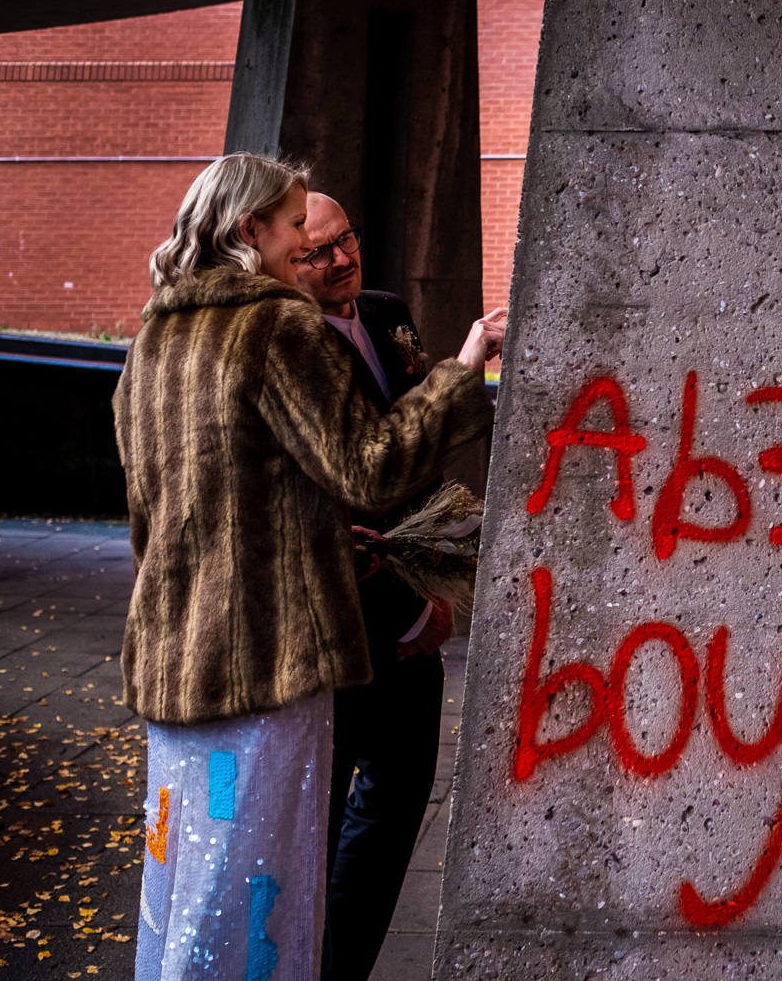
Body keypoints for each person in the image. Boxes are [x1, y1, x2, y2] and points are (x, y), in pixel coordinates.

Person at [114, 153, 502, 981]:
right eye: (295, 226)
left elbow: (156, 512)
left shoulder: (155, 336)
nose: (307, 246)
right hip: (268, 662)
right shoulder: (276, 325)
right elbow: (366, 467)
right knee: (266, 891)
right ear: (250, 230)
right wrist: (460, 378)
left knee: (191, 887)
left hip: (176, 663)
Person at [292, 191, 501, 981]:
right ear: (283, 258)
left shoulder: (384, 311)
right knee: (320, 817)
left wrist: (466, 358)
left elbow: (422, 433)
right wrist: (413, 607)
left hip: (417, 597)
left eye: (346, 238)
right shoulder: (291, 345)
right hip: (340, 620)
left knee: (396, 802)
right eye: (317, 251)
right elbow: (349, 488)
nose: (341, 258)